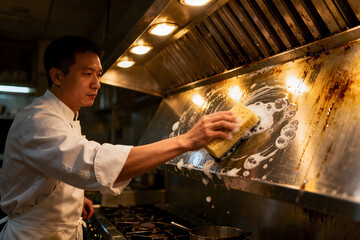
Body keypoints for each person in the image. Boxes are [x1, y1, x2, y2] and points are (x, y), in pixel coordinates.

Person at [0, 36, 239, 239]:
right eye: (87, 74)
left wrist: (73, 199)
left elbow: (58, 167)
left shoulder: (67, 117)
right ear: (57, 76)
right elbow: (89, 162)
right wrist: (186, 141)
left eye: (98, 74)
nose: (96, 84)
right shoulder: (38, 121)